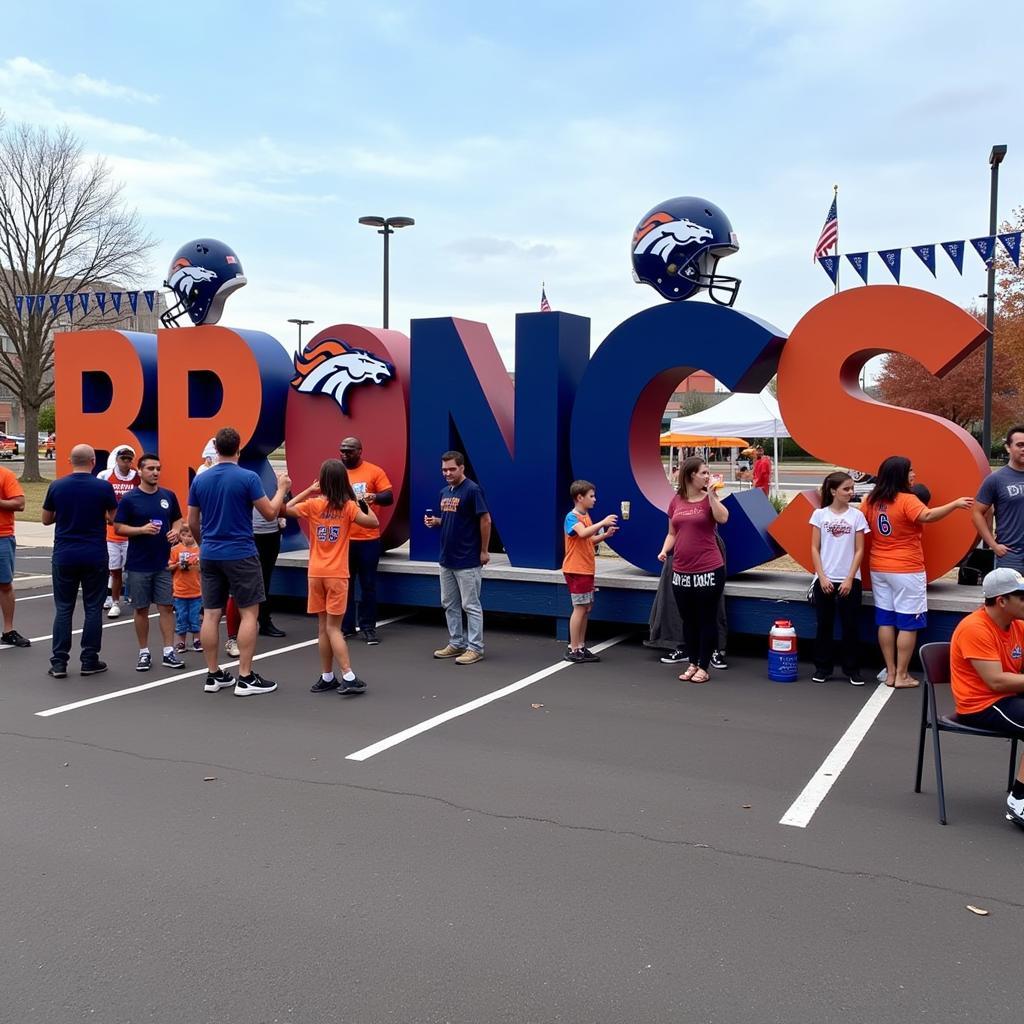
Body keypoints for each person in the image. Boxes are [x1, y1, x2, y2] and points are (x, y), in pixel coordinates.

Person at [187, 427, 290, 696]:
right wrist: (281, 489)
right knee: (249, 613)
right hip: (241, 552)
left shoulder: (201, 480)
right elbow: (269, 514)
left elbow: (192, 522)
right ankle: (245, 676)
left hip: (210, 552)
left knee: (211, 614)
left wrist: (203, 543)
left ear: (216, 449)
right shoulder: (248, 477)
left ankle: (213, 674)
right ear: (239, 449)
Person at [863, 455, 973, 688]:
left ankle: (891, 672)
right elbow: (928, 516)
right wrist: (954, 504)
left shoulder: (871, 500)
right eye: (910, 471)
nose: (914, 474)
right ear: (900, 475)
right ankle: (902, 674)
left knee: (885, 619)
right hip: (906, 567)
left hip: (879, 566)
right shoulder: (906, 499)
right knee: (907, 622)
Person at [286, 459, 379, 695]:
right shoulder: (348, 507)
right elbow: (373, 523)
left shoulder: (314, 505)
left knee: (323, 628)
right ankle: (348, 674)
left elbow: (282, 509)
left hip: (316, 572)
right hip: (337, 573)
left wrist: (308, 490)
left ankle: (327, 676)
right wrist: (360, 501)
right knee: (334, 629)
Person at [949, 567, 1024, 827]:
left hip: (1007, 698)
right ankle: (1019, 801)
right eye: (1022, 597)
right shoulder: (975, 628)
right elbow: (997, 681)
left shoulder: (1017, 625)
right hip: (981, 705)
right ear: (1002, 601)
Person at [41, 444, 117, 677]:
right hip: (94, 553)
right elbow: (113, 519)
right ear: (93, 461)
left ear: (69, 460)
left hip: (65, 553)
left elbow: (46, 519)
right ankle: (89, 659)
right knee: (93, 608)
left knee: (63, 608)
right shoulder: (103, 487)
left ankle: (59, 662)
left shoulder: (57, 486)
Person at [657, 455, 729, 684]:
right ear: (691, 475)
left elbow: (723, 518)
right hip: (681, 570)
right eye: (704, 473)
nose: (707, 476)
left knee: (706, 619)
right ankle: (693, 662)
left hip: (709, 568)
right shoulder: (676, 500)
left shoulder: (709, 499)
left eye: (708, 473)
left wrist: (711, 494)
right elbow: (672, 532)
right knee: (688, 620)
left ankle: (704, 666)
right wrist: (664, 550)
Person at [114, 453, 185, 672]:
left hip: (163, 563)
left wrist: (175, 532)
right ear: (140, 471)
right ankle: (143, 652)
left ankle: (168, 651)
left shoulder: (168, 496)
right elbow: (118, 527)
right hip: (138, 564)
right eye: (151, 469)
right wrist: (141, 530)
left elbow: (177, 518)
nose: (155, 472)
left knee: (166, 607)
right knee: (141, 609)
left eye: (158, 469)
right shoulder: (130, 499)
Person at [424, 450, 491, 665]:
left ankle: (475, 648)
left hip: (467, 559)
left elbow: (485, 520)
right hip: (447, 558)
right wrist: (437, 521)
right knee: (449, 603)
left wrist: (484, 550)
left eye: (452, 469)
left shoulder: (472, 490)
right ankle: (456, 643)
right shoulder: (445, 492)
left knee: (470, 605)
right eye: (444, 469)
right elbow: (456, 519)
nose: (447, 473)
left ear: (462, 468)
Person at [809, 471, 870, 685]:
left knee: (850, 625)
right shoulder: (820, 515)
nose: (851, 492)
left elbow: (859, 550)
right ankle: (823, 667)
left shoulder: (857, 516)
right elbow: (815, 549)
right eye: (846, 488)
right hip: (825, 579)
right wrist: (822, 577)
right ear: (833, 491)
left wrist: (849, 578)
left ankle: (852, 669)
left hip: (850, 580)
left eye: (852, 488)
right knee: (824, 625)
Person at [339, 436, 393, 645]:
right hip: (345, 539)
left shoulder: (374, 471)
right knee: (346, 584)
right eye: (342, 450)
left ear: (360, 451)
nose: (344, 454)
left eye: (349, 451)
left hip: (368, 539)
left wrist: (374, 497)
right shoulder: (338, 472)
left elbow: (389, 497)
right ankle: (346, 626)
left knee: (368, 585)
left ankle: (368, 627)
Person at [561, 479, 618, 663]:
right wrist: (603, 522)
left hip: (585, 569)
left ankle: (580, 646)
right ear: (579, 497)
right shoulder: (572, 517)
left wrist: (605, 535)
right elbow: (583, 533)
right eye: (591, 496)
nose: (595, 499)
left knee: (586, 608)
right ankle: (573, 648)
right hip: (576, 569)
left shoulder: (585, 517)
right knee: (579, 608)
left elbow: (589, 540)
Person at [973, 424, 1024, 575]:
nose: (1023, 449)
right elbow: (976, 513)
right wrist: (993, 545)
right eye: (1019, 445)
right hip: (1010, 555)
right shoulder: (995, 479)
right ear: (1008, 448)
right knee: (1007, 598)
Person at [97, 443, 140, 618]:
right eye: (123, 459)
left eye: (129, 459)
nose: (126, 462)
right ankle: (114, 601)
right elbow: (98, 500)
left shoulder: (136, 477)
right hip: (112, 532)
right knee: (114, 570)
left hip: (131, 532)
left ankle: (134, 597)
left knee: (132, 569)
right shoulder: (105, 475)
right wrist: (106, 517)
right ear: (116, 459)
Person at [0, 462, 29, 648]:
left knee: (4, 584)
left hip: (2, 537)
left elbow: (20, 503)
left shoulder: (5, 475)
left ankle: (8, 631)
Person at [168, 523, 202, 653]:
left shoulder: (198, 550)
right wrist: (177, 564)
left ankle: (196, 640)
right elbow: (168, 567)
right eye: (184, 535)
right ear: (179, 536)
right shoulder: (175, 550)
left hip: (196, 590)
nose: (187, 538)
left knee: (195, 617)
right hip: (180, 591)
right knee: (181, 617)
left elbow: (202, 569)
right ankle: (181, 641)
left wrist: (197, 563)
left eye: (190, 535)